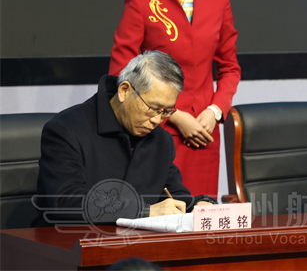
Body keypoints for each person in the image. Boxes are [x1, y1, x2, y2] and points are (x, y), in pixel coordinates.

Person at [109, 0, 241, 197]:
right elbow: (120, 75)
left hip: (204, 132)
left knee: (201, 211)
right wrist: (174, 115)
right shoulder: (141, 2)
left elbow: (230, 67)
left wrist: (215, 110)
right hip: (156, 129)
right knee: (163, 212)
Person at [34, 51, 216, 226]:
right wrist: (144, 211)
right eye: (153, 108)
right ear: (124, 90)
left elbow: (175, 196)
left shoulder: (160, 140)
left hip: (132, 242)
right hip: (68, 241)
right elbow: (66, 201)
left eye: (166, 112)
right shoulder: (66, 130)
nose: (156, 120)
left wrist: (201, 205)